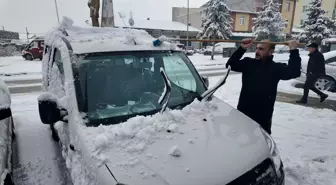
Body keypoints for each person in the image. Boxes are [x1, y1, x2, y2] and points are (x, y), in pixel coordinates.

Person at [225, 39, 301, 134]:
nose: (257, 52)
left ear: (271, 52)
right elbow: (230, 65)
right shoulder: (248, 63)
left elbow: (294, 72)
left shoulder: (276, 68)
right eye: (257, 48)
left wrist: (293, 51)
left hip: (263, 117)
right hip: (244, 113)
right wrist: (242, 48)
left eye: (261, 49)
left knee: (260, 144)